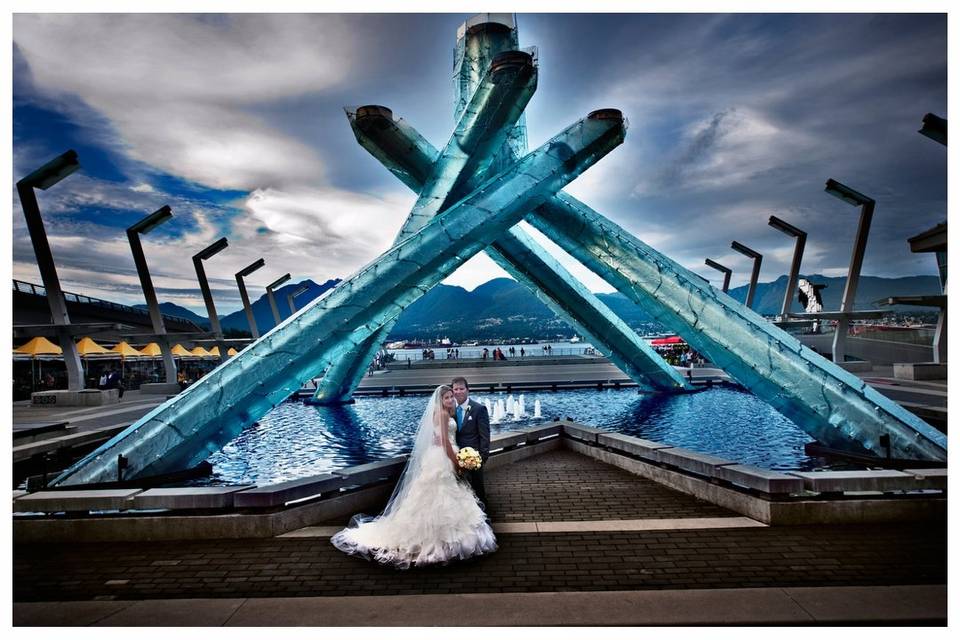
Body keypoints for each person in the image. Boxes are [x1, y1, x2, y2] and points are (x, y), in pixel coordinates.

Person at [331, 385, 496, 568]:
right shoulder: (441, 414)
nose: (450, 400)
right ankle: (439, 541)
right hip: (443, 457)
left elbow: (440, 437)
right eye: (447, 397)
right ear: (440, 400)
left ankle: (446, 540)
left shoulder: (444, 413)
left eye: (451, 397)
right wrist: (455, 461)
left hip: (440, 454)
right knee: (442, 494)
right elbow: (445, 443)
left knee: (444, 494)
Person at [451, 376, 490, 505]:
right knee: (461, 490)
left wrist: (482, 457)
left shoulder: (479, 409)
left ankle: (485, 515)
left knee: (478, 489)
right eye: (455, 389)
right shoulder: (451, 410)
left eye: (461, 388)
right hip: (455, 456)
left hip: (474, 457)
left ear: (468, 390)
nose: (458, 392)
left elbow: (485, 435)